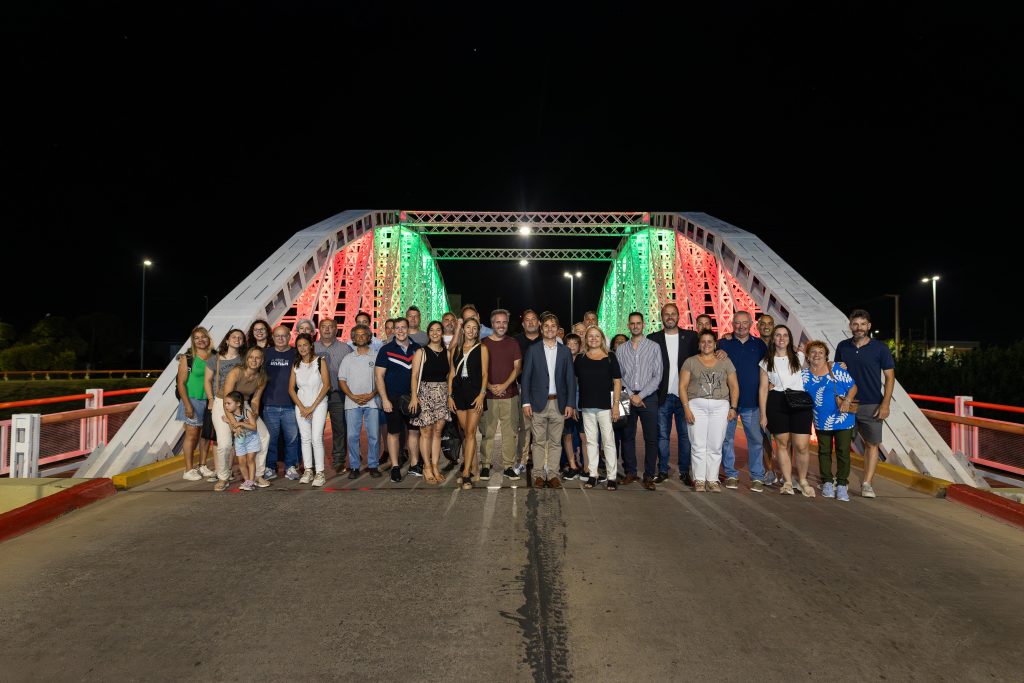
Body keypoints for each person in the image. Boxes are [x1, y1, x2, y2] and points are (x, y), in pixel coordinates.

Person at [833, 309, 895, 498]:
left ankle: (867, 483)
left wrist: (885, 405)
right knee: (843, 444)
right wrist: (838, 370)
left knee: (872, 444)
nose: (858, 328)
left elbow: (890, 378)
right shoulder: (843, 346)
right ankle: (840, 479)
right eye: (855, 324)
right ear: (850, 325)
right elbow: (835, 374)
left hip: (872, 404)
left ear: (868, 326)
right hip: (847, 404)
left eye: (862, 324)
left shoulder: (880, 348)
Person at [521, 313, 576, 489]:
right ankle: (538, 475)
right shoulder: (533, 350)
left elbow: (570, 380)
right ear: (541, 328)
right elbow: (526, 378)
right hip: (537, 403)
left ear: (558, 329)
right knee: (537, 442)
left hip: (558, 404)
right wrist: (525, 402)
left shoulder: (565, 351)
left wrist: (570, 403)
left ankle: (552, 475)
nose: (550, 329)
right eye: (546, 326)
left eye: (553, 326)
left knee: (555, 442)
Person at [680, 330, 739, 492]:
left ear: (715, 344)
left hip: (720, 406)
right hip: (696, 406)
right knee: (698, 444)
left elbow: (734, 385)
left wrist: (733, 407)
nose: (706, 344)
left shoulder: (725, 361)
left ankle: (712, 480)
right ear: (699, 344)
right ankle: (699, 479)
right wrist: (686, 408)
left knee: (715, 445)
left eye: (710, 341)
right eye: (703, 341)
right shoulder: (690, 362)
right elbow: (682, 386)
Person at [648, 303, 699, 485]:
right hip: (662, 395)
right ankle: (662, 470)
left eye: (673, 314)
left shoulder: (692, 337)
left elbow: (703, 358)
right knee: (662, 435)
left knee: (685, 436)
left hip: (685, 396)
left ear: (678, 316)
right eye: (666, 314)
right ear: (662, 317)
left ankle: (684, 471)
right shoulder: (652, 338)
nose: (670, 317)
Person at [758, 325, 812, 496]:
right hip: (777, 402)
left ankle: (802, 480)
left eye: (785, 335)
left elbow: (820, 364)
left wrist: (838, 365)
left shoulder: (800, 356)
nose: (781, 338)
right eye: (778, 335)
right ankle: (788, 482)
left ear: (789, 339)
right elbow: (763, 389)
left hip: (799, 402)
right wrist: (763, 414)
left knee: (802, 446)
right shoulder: (766, 361)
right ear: (773, 339)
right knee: (781, 444)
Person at [803, 341, 858, 502]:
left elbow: (853, 387)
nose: (817, 355)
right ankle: (827, 481)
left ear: (826, 355)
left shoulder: (835, 369)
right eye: (813, 352)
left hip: (843, 417)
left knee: (843, 451)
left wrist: (847, 400)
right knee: (824, 451)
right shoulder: (804, 375)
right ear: (808, 356)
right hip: (821, 419)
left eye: (821, 352)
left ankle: (841, 484)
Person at [719, 311, 768, 490]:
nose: (741, 326)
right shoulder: (723, 343)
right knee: (727, 439)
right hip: (729, 402)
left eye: (744, 323)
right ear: (732, 324)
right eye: (737, 323)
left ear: (750, 324)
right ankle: (731, 474)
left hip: (752, 401)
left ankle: (757, 476)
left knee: (755, 440)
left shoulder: (760, 345)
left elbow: (771, 367)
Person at [616, 312, 662, 490]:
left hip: (648, 397)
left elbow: (657, 376)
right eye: (632, 323)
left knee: (651, 438)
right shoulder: (621, 349)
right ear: (628, 326)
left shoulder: (654, 347)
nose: (635, 326)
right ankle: (631, 472)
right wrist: (630, 394)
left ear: (643, 325)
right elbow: (618, 376)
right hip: (625, 396)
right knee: (627, 436)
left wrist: (640, 396)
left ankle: (649, 475)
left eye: (638, 323)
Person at [375, 317, 422, 483]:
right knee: (393, 433)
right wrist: (384, 399)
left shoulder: (417, 349)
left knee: (414, 431)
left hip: (412, 398)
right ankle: (395, 466)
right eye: (397, 328)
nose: (401, 331)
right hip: (392, 398)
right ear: (393, 330)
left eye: (404, 327)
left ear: (408, 329)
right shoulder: (386, 349)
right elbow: (379, 376)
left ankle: (415, 464)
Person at [575, 326, 622, 490]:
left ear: (602, 339)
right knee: (591, 442)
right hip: (586, 406)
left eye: (596, 336)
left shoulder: (610, 357)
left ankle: (611, 476)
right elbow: (575, 383)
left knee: (608, 442)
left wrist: (615, 405)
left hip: (605, 407)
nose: (593, 339)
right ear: (586, 339)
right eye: (590, 336)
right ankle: (593, 474)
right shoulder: (580, 358)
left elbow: (617, 381)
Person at [480, 309, 523, 481]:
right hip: (488, 396)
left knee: (509, 432)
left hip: (509, 395)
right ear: (492, 324)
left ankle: (508, 466)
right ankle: (485, 465)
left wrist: (504, 385)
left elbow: (517, 368)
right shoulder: (483, 343)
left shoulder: (513, 343)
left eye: (504, 322)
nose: (501, 325)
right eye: (498, 322)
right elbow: (479, 369)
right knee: (487, 432)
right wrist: (490, 386)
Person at [204, 328, 247, 491]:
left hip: (239, 403)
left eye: (240, 338)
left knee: (238, 440)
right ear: (227, 340)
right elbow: (207, 380)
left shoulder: (244, 359)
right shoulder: (215, 359)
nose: (237, 339)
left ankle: (230, 471)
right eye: (234, 337)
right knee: (223, 442)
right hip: (220, 401)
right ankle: (222, 477)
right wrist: (210, 399)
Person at [338, 324, 382, 479]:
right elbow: (342, 380)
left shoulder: (376, 356)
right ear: (353, 338)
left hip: (372, 401)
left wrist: (372, 393)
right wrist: (352, 396)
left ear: (369, 337)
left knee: (374, 436)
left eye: (364, 334)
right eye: (357, 335)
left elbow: (380, 378)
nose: (361, 337)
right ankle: (355, 466)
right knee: (352, 436)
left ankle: (373, 465)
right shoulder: (348, 358)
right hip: (352, 402)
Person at [449, 317, 489, 489]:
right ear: (463, 329)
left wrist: (482, 394)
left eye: (474, 328)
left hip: (475, 393)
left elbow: (485, 374)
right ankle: (474, 467)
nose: (471, 330)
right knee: (466, 432)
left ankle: (466, 474)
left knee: (471, 432)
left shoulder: (482, 348)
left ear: (477, 331)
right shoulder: (456, 350)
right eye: (468, 327)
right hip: (458, 393)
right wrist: (450, 395)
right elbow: (451, 373)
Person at [409, 321, 451, 484]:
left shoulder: (447, 353)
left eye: (438, 330)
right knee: (425, 431)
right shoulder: (421, 352)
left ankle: (435, 466)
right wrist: (414, 396)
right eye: (432, 330)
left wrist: (449, 396)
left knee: (438, 431)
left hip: (441, 393)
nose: (435, 333)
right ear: (428, 334)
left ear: (442, 333)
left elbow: (449, 377)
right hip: (424, 393)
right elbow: (414, 375)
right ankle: (426, 466)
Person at [222, 346, 270, 487]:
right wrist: (234, 425)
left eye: (258, 358)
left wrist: (253, 415)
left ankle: (258, 475)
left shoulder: (262, 377)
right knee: (225, 442)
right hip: (226, 403)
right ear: (246, 358)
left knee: (264, 435)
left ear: (261, 361)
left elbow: (255, 400)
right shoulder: (236, 372)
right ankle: (223, 476)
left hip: (245, 405)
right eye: (251, 357)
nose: (254, 360)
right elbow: (226, 399)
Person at [290, 333, 331, 487]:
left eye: (305, 345)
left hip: (318, 405)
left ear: (311, 345)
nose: (302, 348)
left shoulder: (320, 362)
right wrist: (301, 407)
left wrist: (312, 407)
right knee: (305, 438)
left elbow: (326, 385)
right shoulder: (296, 365)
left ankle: (320, 473)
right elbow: (291, 389)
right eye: (299, 345)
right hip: (301, 406)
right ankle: (308, 470)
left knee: (316, 438)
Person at [177, 326, 216, 482]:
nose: (201, 340)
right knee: (192, 435)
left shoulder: (214, 356)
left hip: (209, 399)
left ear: (208, 339)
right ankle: (188, 469)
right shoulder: (188, 358)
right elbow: (181, 383)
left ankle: (202, 465)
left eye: (203, 337)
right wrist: (187, 405)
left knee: (206, 435)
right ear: (193, 341)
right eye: (197, 338)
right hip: (192, 399)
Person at [262, 325, 301, 481]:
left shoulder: (295, 354)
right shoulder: (265, 354)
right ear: (272, 337)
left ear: (289, 337)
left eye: (284, 335)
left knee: (292, 439)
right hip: (270, 404)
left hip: (290, 405)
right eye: (277, 336)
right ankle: (270, 467)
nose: (280, 338)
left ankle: (290, 467)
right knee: (271, 439)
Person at [314, 317, 352, 473]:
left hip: (337, 395)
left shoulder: (345, 349)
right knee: (316, 431)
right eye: (324, 326)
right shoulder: (312, 348)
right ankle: (315, 462)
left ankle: (338, 460)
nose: (327, 329)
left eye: (331, 326)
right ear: (319, 329)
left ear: (336, 329)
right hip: (316, 396)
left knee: (339, 428)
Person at [515, 309, 543, 474]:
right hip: (523, 389)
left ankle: (543, 463)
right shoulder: (516, 341)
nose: (531, 322)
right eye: (527, 320)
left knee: (541, 428)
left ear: (539, 323)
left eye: (534, 319)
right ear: (523, 323)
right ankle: (522, 461)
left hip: (542, 391)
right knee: (524, 428)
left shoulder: (546, 340)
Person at [754, 314, 779, 485]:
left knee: (784, 438)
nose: (766, 326)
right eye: (762, 324)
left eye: (769, 324)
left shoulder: (781, 344)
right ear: (757, 326)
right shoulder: (753, 344)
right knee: (765, 437)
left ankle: (785, 471)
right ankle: (769, 470)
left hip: (778, 398)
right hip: (760, 397)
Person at [222, 391, 260, 491]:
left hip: (251, 439)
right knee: (242, 463)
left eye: (228, 403)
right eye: (225, 403)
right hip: (240, 441)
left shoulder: (247, 412)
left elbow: (254, 427)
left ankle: (251, 481)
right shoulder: (231, 416)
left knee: (250, 460)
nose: (226, 406)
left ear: (238, 403)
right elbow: (233, 430)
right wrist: (229, 422)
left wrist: (242, 424)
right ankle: (247, 481)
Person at [560, 333, 585, 478]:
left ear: (580, 346)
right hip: (567, 405)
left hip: (582, 405)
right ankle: (572, 465)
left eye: (575, 343)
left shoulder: (584, 360)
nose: (572, 346)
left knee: (584, 437)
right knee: (567, 436)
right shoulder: (562, 361)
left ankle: (587, 467)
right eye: (569, 343)